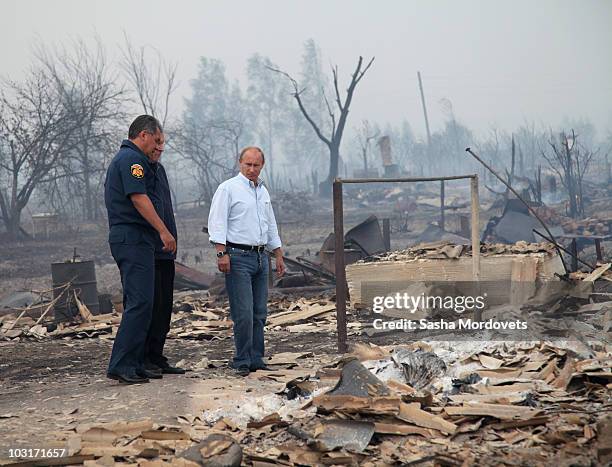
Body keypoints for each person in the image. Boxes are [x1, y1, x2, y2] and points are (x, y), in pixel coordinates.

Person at [104, 115, 176, 384]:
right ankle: (121, 364)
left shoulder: (142, 163)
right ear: (143, 135)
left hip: (141, 241)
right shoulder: (131, 160)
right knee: (139, 302)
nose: (159, 147)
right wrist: (163, 230)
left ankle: (136, 362)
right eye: (156, 141)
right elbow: (139, 198)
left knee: (147, 303)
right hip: (131, 238)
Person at [207, 146, 286, 376]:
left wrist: (278, 254)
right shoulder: (228, 189)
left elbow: (270, 224)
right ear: (240, 163)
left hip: (261, 256)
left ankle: (256, 357)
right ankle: (241, 358)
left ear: (262, 166)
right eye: (248, 164)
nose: (252, 169)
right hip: (238, 256)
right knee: (243, 312)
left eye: (256, 165)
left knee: (259, 311)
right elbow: (218, 222)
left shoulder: (263, 191)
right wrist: (221, 253)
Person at [143, 133, 185, 375]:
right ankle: (144, 357)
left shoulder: (160, 170)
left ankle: (157, 356)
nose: (160, 149)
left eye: (162, 144)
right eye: (156, 144)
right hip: (149, 248)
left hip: (167, 250)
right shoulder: (138, 169)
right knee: (149, 304)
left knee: (164, 306)